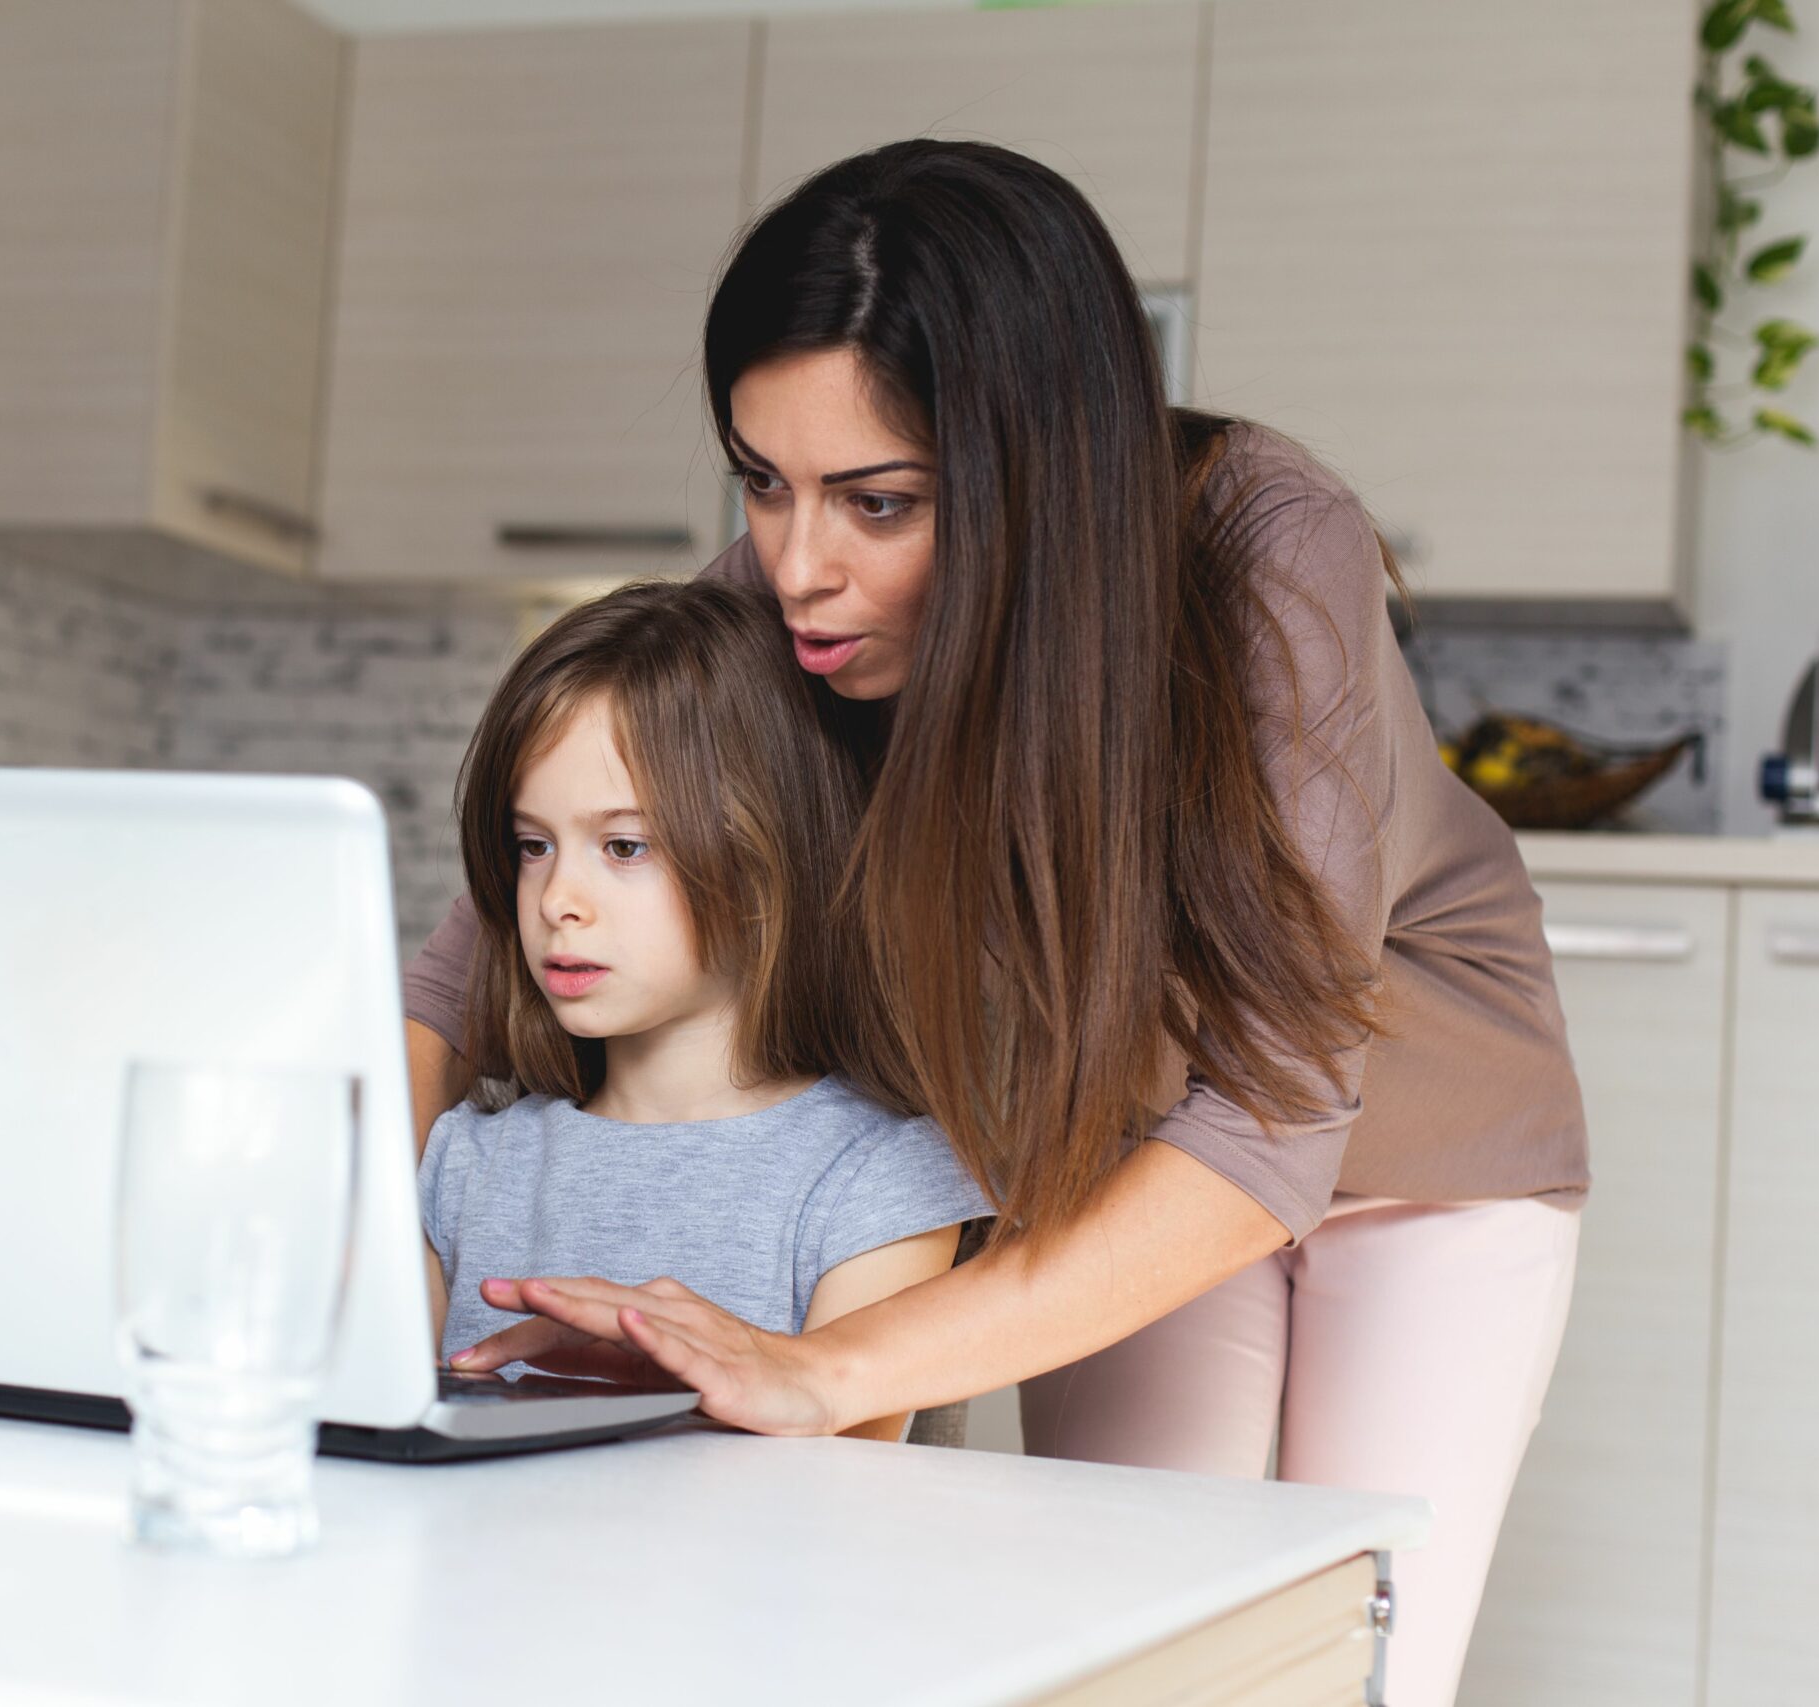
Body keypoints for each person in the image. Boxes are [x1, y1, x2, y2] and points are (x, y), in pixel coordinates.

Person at [399, 142, 1587, 1707]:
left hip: (1421, 1155)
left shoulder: (1262, 548)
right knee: (1135, 1652)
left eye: (879, 500)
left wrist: (819, 1369)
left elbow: (1275, 1112)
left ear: (1034, 470)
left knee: (1352, 1661)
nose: (798, 567)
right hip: (1123, 1143)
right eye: (762, 480)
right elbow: (464, 965)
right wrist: (354, 1248)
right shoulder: (789, 584)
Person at [419, 578, 988, 1444]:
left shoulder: (880, 1179)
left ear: (766, 856)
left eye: (624, 845)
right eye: (534, 845)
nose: (558, 899)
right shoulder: (461, 1163)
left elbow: (843, 1503)